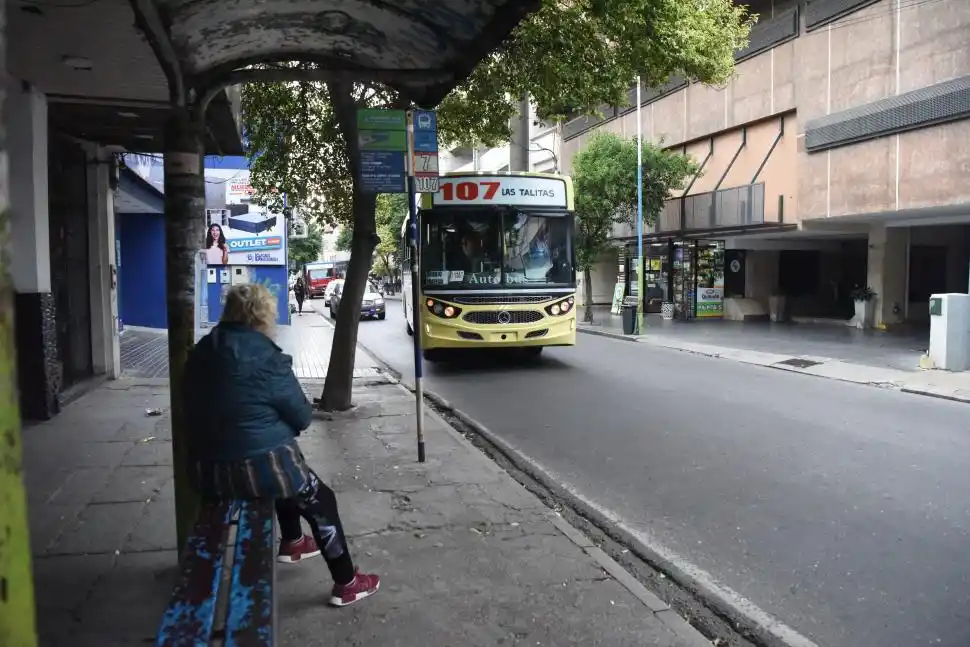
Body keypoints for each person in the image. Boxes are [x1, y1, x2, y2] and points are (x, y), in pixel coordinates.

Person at [183, 283, 380, 607]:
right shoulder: (267, 357)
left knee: (284, 474)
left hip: (206, 471)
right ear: (263, 316)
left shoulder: (203, 349)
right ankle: (347, 582)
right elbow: (302, 417)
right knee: (317, 496)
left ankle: (292, 541)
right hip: (255, 469)